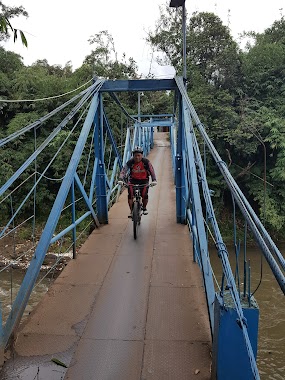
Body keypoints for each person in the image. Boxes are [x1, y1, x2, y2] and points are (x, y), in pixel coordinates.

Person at [118, 146, 157, 217]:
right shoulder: (131, 162)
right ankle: (131, 211)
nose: (137, 157)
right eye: (135, 156)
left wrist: (154, 180)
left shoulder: (146, 162)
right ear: (133, 156)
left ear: (142, 155)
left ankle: (144, 208)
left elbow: (151, 170)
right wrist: (120, 179)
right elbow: (124, 170)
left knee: (144, 195)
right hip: (133, 180)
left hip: (144, 180)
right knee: (130, 195)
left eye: (139, 155)